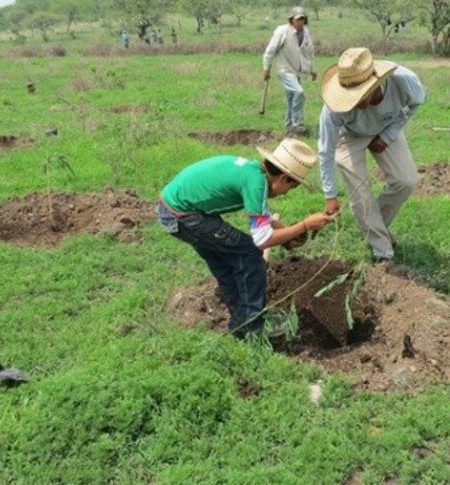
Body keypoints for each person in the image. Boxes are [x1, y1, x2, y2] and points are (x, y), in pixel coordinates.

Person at [157, 138, 334, 338]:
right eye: (290, 188)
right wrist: (304, 225)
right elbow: (263, 240)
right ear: (283, 178)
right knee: (250, 254)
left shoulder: (254, 172)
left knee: (225, 264)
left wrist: (289, 234)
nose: (285, 194)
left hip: (176, 209)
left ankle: (241, 325)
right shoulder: (256, 183)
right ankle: (253, 327)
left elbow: (263, 217)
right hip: (184, 215)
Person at [317, 47, 426, 263]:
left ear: (374, 83)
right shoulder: (333, 108)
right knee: (360, 196)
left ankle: (376, 228)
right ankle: (383, 252)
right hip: (348, 136)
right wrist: (330, 195)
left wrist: (388, 135)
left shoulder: (403, 79)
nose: (353, 102)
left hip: (386, 127)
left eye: (358, 96)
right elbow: (326, 150)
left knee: (406, 181)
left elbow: (416, 102)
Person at [262, 6, 317, 137]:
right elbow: (269, 52)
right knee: (299, 92)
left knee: (291, 99)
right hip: (285, 70)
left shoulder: (306, 33)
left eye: (302, 19)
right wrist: (266, 69)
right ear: (291, 20)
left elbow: (310, 53)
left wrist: (313, 71)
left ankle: (288, 128)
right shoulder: (282, 31)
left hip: (297, 72)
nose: (300, 22)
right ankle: (297, 124)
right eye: (298, 19)